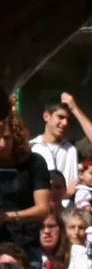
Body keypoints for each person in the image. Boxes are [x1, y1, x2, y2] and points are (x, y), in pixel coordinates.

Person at [0, 108, 53, 261]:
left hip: (24, 244)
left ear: (16, 137)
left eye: (7, 138)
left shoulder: (34, 162)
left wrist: (9, 216)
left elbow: (43, 209)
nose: (2, 144)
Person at [31, 95, 92, 190]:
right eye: (60, 117)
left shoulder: (72, 147)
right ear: (46, 116)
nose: (65, 123)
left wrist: (74, 109)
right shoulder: (31, 147)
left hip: (70, 204)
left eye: (67, 119)